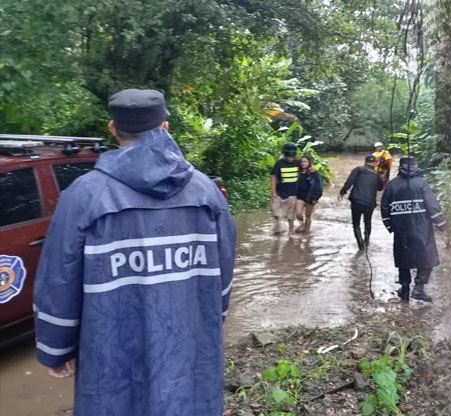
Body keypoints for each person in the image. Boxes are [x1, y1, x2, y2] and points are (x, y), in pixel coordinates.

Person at [32, 89, 235, 415]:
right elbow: (223, 274)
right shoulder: (206, 192)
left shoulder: (83, 197)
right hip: (190, 347)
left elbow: (58, 281)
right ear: (165, 127)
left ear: (113, 128)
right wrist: (213, 317)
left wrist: (56, 348)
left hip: (110, 353)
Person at [381, 157, 446, 303]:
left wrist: (390, 227)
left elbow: (384, 208)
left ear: (400, 167)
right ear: (415, 166)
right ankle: (418, 289)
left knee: (403, 260)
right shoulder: (421, 183)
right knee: (427, 258)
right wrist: (442, 224)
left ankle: (404, 289)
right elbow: (432, 205)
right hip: (421, 229)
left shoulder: (391, 185)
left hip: (401, 230)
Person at [339, 155, 384, 250]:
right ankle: (366, 241)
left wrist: (342, 192)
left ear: (365, 162)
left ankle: (360, 244)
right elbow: (380, 188)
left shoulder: (358, 170)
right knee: (367, 222)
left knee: (356, 224)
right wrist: (380, 177)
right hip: (370, 203)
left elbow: (349, 182)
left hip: (356, 201)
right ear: (375, 163)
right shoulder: (376, 175)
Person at [271, 142, 300, 234]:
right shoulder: (279, 163)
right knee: (275, 211)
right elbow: (273, 177)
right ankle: (279, 226)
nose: (290, 158)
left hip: (293, 192)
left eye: (292, 156)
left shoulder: (298, 163)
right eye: (289, 156)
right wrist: (273, 192)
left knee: (291, 215)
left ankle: (290, 231)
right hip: (280, 192)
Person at [294, 155, 324, 233]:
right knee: (298, 213)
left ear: (309, 163)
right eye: (301, 162)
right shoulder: (298, 172)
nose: (303, 163)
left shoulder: (314, 173)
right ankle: (302, 224)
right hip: (300, 196)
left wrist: (315, 198)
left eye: (305, 161)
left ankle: (307, 232)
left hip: (310, 197)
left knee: (308, 215)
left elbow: (319, 187)